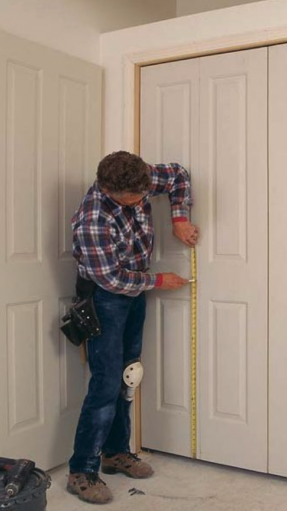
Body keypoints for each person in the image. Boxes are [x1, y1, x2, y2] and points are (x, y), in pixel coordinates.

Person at [67, 151, 198, 504]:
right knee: (106, 383)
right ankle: (82, 470)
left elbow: (177, 176)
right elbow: (110, 278)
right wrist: (158, 280)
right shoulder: (93, 218)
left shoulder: (139, 179)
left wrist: (179, 219)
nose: (142, 200)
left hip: (135, 291)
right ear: (110, 190)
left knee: (128, 374)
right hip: (106, 299)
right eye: (135, 199)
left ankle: (115, 453)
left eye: (144, 193)